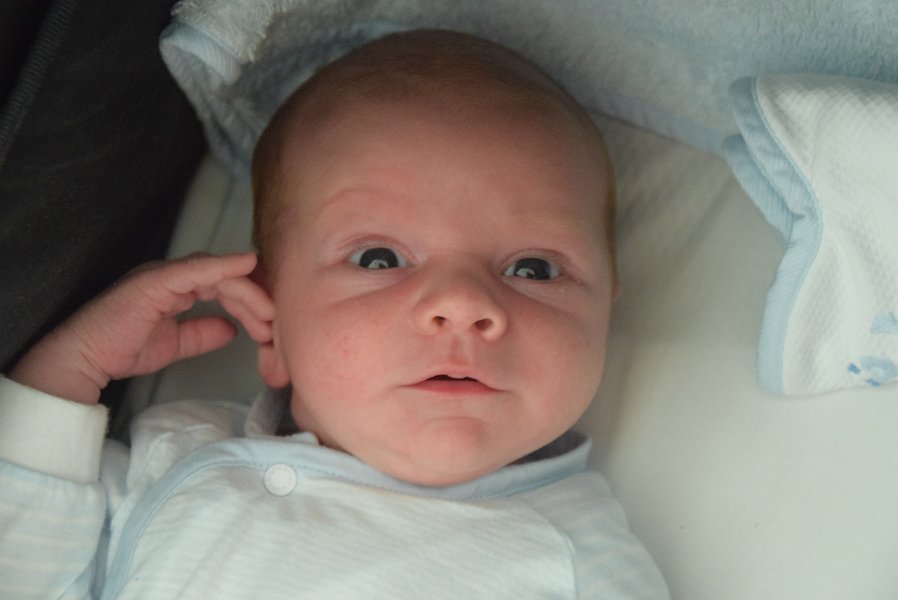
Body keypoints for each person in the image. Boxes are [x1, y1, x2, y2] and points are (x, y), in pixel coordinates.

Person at [0, 30, 669, 598]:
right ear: (273, 324)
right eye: (380, 258)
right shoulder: (176, 454)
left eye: (534, 269)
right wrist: (65, 376)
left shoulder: (586, 559)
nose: (464, 305)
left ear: (604, 314)